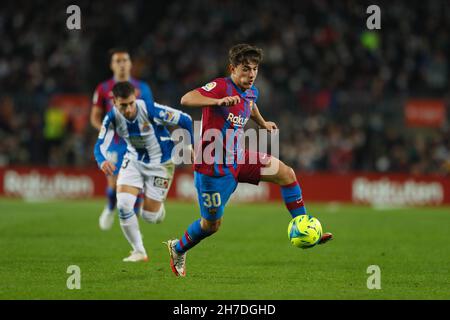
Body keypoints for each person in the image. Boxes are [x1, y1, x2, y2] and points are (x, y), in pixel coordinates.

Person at [165, 44, 332, 276]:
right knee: (210, 226)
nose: (251, 74)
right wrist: (217, 102)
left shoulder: (252, 90)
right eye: (245, 69)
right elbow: (186, 98)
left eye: (255, 69)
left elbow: (250, 104)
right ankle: (178, 248)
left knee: (287, 173)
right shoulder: (221, 86)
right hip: (212, 169)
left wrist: (262, 123)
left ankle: (304, 226)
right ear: (232, 68)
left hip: (239, 158)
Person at [94, 81, 193, 262]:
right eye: (123, 105)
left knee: (150, 216)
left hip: (161, 163)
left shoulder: (150, 110)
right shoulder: (112, 118)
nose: (129, 109)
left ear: (135, 99)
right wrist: (102, 161)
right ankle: (139, 251)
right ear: (114, 102)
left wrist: (188, 145)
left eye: (131, 103)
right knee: (123, 204)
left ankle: (156, 208)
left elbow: (185, 119)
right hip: (133, 160)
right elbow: (99, 146)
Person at [91, 48, 154, 230]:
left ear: (130, 64)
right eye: (117, 61)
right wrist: (104, 130)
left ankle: (131, 221)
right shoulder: (103, 89)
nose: (122, 64)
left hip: (137, 142)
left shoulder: (142, 88)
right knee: (114, 184)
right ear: (112, 65)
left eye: (125, 60)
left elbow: (150, 113)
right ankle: (110, 206)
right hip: (115, 143)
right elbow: (95, 116)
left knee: (137, 184)